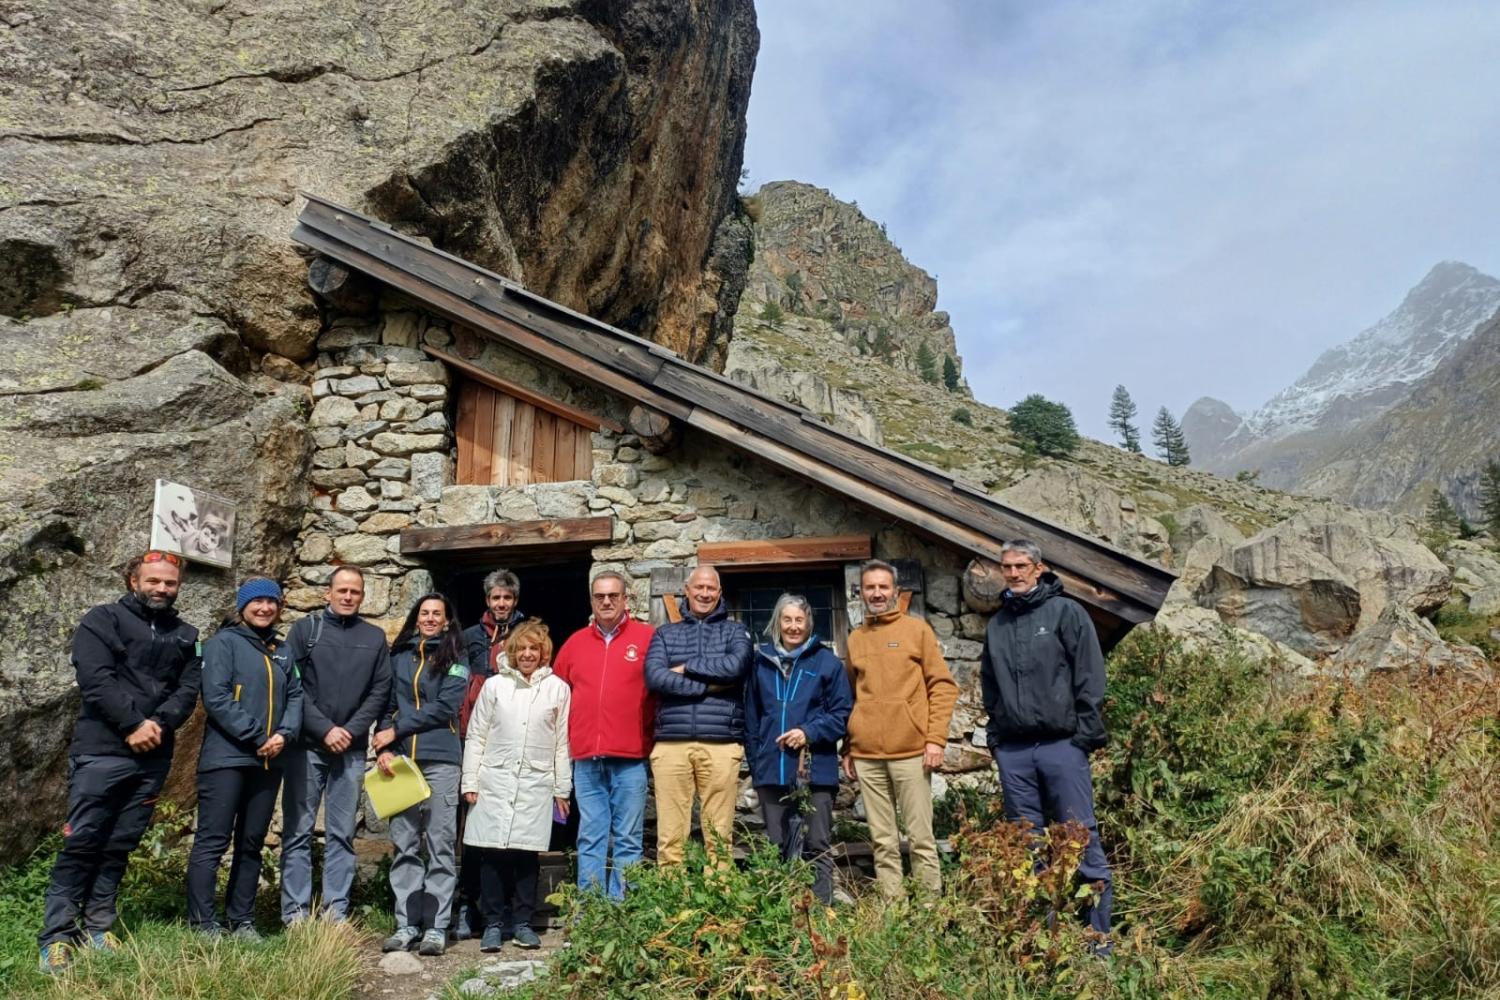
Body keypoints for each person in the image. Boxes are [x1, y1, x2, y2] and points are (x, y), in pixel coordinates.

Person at [37, 551, 203, 974]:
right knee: (82, 841)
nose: (162, 589)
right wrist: (132, 723)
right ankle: (57, 936)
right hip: (101, 750)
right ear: (134, 581)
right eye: (153, 581)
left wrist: (158, 725)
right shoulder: (102, 619)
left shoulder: (187, 634)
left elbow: (188, 690)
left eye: (169, 583)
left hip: (153, 755)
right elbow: (94, 677)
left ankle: (98, 927)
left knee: (119, 845)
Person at [980, 540, 1112, 943]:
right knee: (1026, 845)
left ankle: (1097, 942)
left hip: (1062, 746)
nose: (1014, 573)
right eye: (1007, 567)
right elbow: (990, 687)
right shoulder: (997, 624)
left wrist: (1082, 740)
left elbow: (1090, 677)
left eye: (1022, 565)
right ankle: (1043, 941)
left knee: (1080, 837)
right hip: (1015, 752)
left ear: (1039, 568)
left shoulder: (1066, 613)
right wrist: (997, 738)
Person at [186, 577, 303, 938]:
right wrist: (259, 736)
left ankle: (242, 920)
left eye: (272, 602)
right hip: (228, 759)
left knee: (251, 842)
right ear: (242, 607)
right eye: (257, 602)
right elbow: (217, 698)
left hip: (268, 762)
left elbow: (297, 695)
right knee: (212, 839)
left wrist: (284, 734)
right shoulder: (222, 644)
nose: (265, 608)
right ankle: (203, 922)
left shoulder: (282, 651)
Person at [280, 565, 391, 926]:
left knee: (342, 834)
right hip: (307, 747)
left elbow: (380, 691)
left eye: (355, 592)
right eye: (341, 590)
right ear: (328, 593)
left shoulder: (374, 638)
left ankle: (335, 913)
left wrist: (351, 730)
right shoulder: (305, 630)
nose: (347, 596)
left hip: (352, 749)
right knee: (298, 831)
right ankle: (295, 914)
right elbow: (291, 685)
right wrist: (325, 729)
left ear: (362, 596)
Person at [841, 559, 958, 898]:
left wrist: (935, 740)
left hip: (911, 752)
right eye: (870, 587)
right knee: (883, 840)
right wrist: (848, 746)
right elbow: (850, 696)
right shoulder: (855, 639)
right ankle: (893, 908)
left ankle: (928, 911)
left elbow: (943, 687)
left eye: (883, 587)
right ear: (861, 592)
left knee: (920, 838)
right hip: (867, 757)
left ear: (895, 591)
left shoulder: (916, 631)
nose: (876, 593)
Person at [461, 619, 571, 951]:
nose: (526, 654)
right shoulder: (495, 687)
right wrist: (470, 780)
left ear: (543, 653)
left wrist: (561, 789)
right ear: (512, 651)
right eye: (521, 648)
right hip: (494, 779)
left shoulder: (557, 689)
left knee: (526, 855)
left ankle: (523, 922)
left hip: (536, 782)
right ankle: (493, 923)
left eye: (533, 649)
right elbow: (477, 735)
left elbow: (562, 743)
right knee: (492, 854)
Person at [552, 570, 655, 899]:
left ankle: (620, 913)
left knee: (627, 837)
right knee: (591, 836)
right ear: (592, 601)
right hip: (586, 759)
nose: (607, 601)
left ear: (626, 599)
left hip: (631, 757)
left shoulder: (647, 637)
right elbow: (556, 694)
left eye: (613, 595)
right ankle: (591, 912)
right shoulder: (575, 643)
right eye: (600, 596)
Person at [375, 593, 468, 957]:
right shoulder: (398, 655)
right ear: (417, 619)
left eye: (437, 614)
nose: (430, 619)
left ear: (446, 621)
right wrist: (384, 746)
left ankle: (436, 927)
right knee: (405, 844)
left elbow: (446, 705)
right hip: (399, 762)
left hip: (441, 759)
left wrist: (396, 731)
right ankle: (406, 924)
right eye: (424, 613)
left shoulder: (457, 655)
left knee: (441, 845)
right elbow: (385, 704)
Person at [744, 594, 852, 904]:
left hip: (815, 769)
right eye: (787, 620)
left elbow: (841, 715)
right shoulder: (759, 662)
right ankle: (781, 911)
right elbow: (751, 718)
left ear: (809, 624)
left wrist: (808, 732)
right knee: (777, 845)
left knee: (816, 843)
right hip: (770, 769)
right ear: (777, 622)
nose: (793, 627)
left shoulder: (827, 663)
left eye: (799, 620)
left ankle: (819, 912)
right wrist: (757, 762)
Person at [644, 565, 752, 869]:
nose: (705, 593)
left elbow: (736, 667)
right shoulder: (665, 634)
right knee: (669, 839)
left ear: (719, 593)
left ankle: (719, 909)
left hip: (721, 742)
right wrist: (712, 684)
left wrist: (686, 667)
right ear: (687, 591)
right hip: (671, 744)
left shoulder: (735, 631)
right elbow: (655, 678)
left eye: (711, 589)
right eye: (699, 588)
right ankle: (671, 910)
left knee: (719, 839)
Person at [454, 569, 524, 938]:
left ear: (515, 601)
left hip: (513, 738)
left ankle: (509, 907)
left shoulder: (527, 635)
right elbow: (454, 681)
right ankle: (468, 902)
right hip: (473, 738)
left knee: (510, 825)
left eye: (507, 598)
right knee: (472, 823)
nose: (501, 604)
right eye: (496, 598)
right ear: (487, 601)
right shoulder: (467, 637)